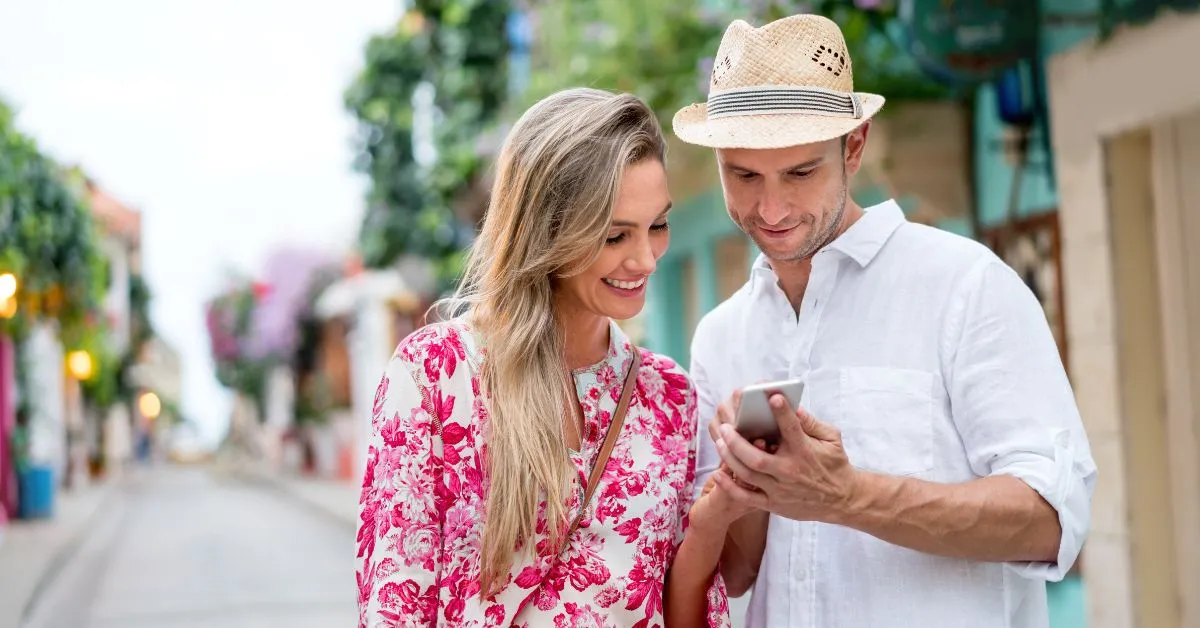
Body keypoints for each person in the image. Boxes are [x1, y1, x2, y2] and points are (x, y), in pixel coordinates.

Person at [672, 14, 1098, 628]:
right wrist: (750, 487)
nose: (770, 209)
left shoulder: (964, 286)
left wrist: (847, 495)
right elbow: (737, 574)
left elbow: (1051, 522)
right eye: (743, 175)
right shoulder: (721, 334)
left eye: (799, 173)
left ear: (854, 145)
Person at [356, 88, 738, 627]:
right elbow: (395, 602)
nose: (646, 259)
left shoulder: (668, 397)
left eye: (657, 226)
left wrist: (715, 517)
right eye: (614, 235)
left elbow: (682, 610)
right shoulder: (436, 375)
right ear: (547, 232)